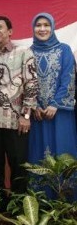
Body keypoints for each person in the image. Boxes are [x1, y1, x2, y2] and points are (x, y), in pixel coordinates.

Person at [0, 16, 38, 209]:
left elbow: (31, 84)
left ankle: (18, 205)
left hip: (16, 122)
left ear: (10, 31)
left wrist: (26, 115)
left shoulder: (23, 52)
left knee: (18, 165)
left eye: (0, 27)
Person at [28, 12, 77, 200]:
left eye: (46, 25)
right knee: (39, 153)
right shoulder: (28, 51)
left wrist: (55, 104)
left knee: (63, 151)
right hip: (38, 115)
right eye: (38, 25)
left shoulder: (64, 49)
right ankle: (41, 200)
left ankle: (67, 202)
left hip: (61, 113)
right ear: (33, 28)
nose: (42, 29)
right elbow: (28, 82)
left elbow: (69, 79)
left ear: (53, 27)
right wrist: (36, 105)